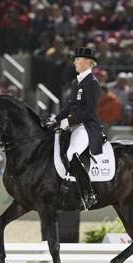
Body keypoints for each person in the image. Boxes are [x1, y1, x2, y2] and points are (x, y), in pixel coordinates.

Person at [46, 47, 102, 210]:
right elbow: (69, 106)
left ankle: (88, 193)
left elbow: (90, 112)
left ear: (87, 62)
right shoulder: (77, 81)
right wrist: (56, 120)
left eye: (77, 59)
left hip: (87, 126)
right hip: (75, 124)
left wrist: (69, 121)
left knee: (71, 153)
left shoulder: (92, 83)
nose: (74, 62)